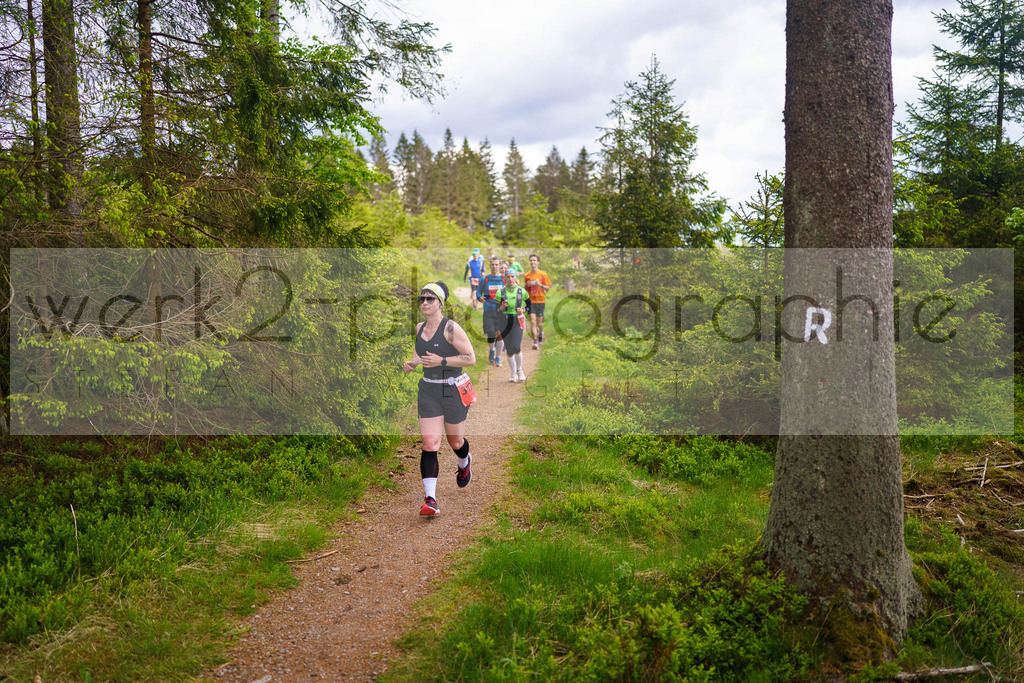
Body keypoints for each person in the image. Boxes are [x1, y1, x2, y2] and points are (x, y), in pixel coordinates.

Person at [403, 281, 477, 516]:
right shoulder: (419, 327)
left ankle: (464, 462)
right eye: (422, 299)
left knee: (455, 442)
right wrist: (413, 363)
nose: (424, 303)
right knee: (430, 444)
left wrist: (442, 361)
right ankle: (430, 500)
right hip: (429, 390)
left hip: (452, 389)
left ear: (440, 303)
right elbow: (419, 351)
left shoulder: (451, 328)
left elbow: (470, 358)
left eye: (430, 299)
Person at [495, 269, 529, 382]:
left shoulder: (522, 291)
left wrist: (523, 310)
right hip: (504, 322)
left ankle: (520, 370)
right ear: (505, 278)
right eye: (508, 277)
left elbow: (530, 306)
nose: (510, 279)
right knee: (509, 349)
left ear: (515, 277)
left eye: (512, 276)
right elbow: (496, 310)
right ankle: (513, 373)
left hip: (517, 321)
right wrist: (501, 307)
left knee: (516, 346)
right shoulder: (500, 292)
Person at [476, 256, 506, 367]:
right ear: (490, 265)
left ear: (499, 265)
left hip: (501, 311)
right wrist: (479, 297)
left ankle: (498, 358)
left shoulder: (504, 279)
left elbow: (510, 291)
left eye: (496, 264)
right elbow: (478, 292)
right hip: (488, 310)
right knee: (491, 335)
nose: (494, 267)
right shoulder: (484, 279)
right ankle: (492, 350)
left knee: (500, 334)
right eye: (492, 264)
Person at [524, 254, 552, 349]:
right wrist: (526, 285)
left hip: (540, 301)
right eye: (531, 260)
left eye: (534, 260)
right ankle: (535, 341)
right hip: (530, 301)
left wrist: (540, 285)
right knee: (533, 322)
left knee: (539, 324)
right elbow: (524, 289)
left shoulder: (543, 274)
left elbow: (548, 287)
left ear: (538, 262)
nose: (532, 262)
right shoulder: (527, 275)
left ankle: (541, 333)